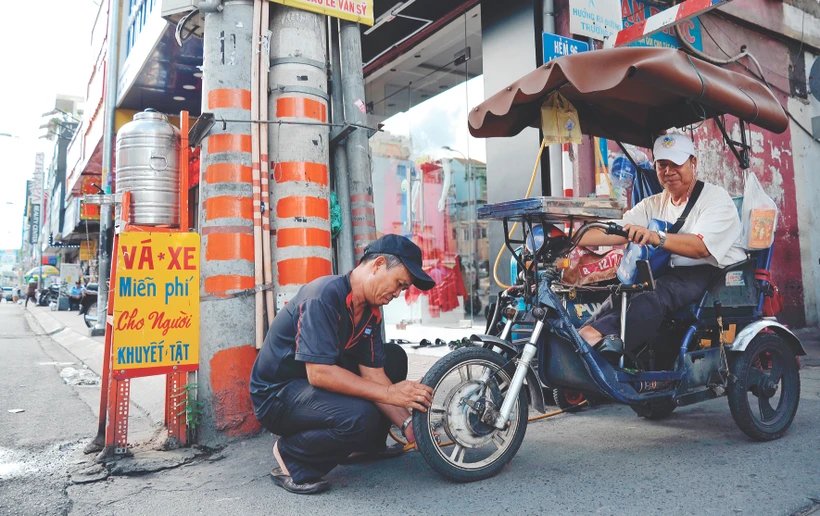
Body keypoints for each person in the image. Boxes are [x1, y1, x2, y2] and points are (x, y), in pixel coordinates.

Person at [250, 234, 436, 495]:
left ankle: (365, 446)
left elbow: (373, 375)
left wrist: (409, 426)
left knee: (393, 358)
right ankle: (292, 456)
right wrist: (391, 394)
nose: (397, 294)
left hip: (309, 389)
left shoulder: (370, 311)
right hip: (278, 396)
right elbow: (320, 374)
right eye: (398, 284)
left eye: (403, 290)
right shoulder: (323, 296)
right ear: (378, 264)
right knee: (360, 416)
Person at [577, 133, 746, 355]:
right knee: (623, 291)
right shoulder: (654, 203)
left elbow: (701, 248)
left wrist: (657, 237)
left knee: (655, 293)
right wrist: (573, 235)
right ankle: (582, 336)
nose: (668, 171)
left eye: (676, 164)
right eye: (662, 165)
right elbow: (617, 230)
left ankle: (605, 339)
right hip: (669, 272)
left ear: (693, 163)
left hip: (711, 273)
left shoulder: (715, 198)